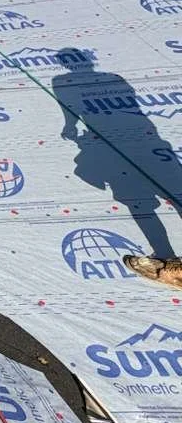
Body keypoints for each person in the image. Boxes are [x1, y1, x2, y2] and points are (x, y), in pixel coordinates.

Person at [51, 47, 181, 285]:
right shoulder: (112, 79)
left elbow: (71, 112)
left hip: (131, 137)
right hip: (145, 135)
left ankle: (172, 268)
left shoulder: (62, 81)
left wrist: (70, 127)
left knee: (138, 200)